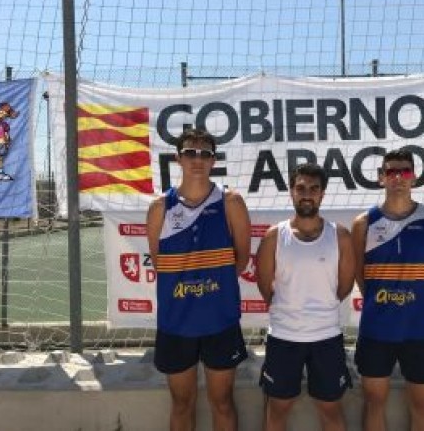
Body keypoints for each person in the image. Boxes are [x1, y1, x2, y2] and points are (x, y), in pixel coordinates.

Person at [147, 128, 251, 431]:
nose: (197, 159)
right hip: (176, 323)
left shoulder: (231, 202)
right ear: (178, 158)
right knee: (182, 403)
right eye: (190, 152)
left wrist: (211, 283)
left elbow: (241, 257)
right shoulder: (159, 208)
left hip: (220, 321)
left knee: (222, 401)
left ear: (213, 160)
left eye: (205, 153)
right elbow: (159, 263)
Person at [351, 149, 424, 431]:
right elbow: (361, 277)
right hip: (376, 330)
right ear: (381, 178)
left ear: (413, 177)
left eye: (404, 171)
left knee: (421, 406)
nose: (398, 178)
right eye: (391, 172)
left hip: (418, 331)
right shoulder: (364, 224)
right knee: (373, 403)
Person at [256, 163, 356, 431]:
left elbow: (344, 287)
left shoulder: (341, 236)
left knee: (331, 410)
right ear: (291, 192)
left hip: (326, 338)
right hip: (284, 338)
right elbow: (265, 285)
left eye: (314, 188)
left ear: (322, 194)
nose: (307, 194)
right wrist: (288, 309)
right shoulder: (274, 236)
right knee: (277, 409)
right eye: (300, 188)